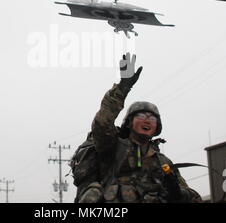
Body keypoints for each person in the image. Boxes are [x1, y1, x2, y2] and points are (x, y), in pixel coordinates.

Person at [77, 53, 201, 203]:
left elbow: (192, 197)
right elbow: (102, 123)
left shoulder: (163, 162)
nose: (147, 119)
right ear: (129, 122)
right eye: (141, 115)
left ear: (157, 126)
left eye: (152, 117)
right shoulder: (113, 147)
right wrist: (123, 87)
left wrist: (178, 192)